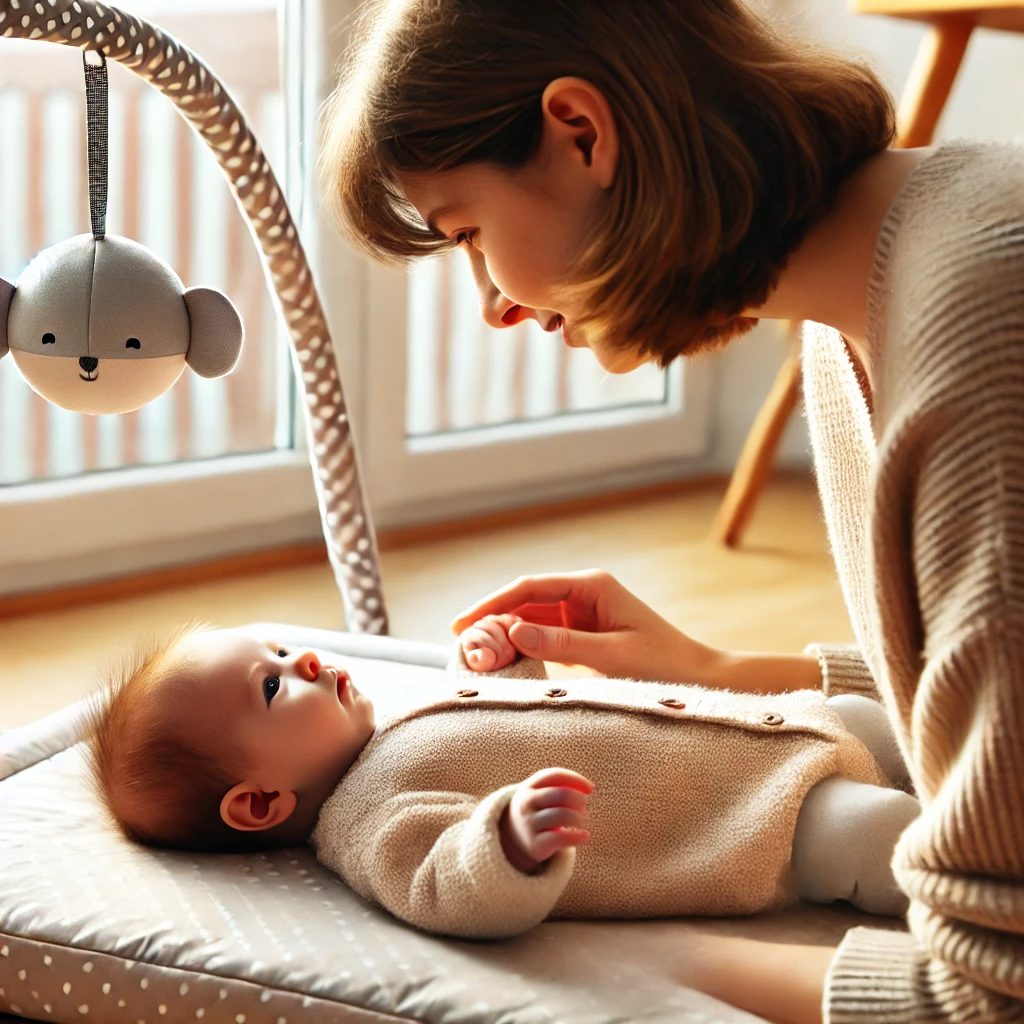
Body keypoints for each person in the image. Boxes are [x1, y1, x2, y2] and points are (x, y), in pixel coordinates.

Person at [316, 0, 1024, 1019]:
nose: (492, 304)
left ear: (582, 133)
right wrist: (725, 676)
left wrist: (635, 965)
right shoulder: (865, 304)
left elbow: (988, 997)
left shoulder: (978, 336)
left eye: (470, 232)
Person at [87, 620, 917, 940]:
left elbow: (499, 714)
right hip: (760, 822)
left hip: (788, 726)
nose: (301, 659)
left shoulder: (401, 712)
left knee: (886, 717)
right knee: (887, 836)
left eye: (277, 651)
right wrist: (507, 842)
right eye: (272, 687)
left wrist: (499, 664)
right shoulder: (368, 823)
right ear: (261, 802)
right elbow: (444, 883)